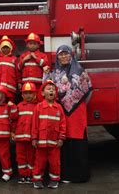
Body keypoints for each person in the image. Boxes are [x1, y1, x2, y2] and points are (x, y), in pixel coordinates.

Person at [44, 45, 92, 183]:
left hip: (77, 112)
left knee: (78, 142)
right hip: (61, 112)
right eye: (61, 54)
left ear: (71, 55)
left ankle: (80, 175)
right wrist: (45, 75)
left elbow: (88, 92)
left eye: (66, 54)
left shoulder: (80, 70)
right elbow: (47, 89)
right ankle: (66, 175)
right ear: (57, 57)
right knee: (64, 142)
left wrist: (76, 103)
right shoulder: (54, 73)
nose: (63, 57)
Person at [31, 80, 66, 189]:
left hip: (54, 143)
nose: (51, 90)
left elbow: (63, 124)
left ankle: (54, 179)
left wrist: (61, 138)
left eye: (53, 89)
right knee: (39, 162)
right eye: (48, 88)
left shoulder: (59, 108)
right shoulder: (38, 107)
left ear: (55, 93)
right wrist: (34, 138)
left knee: (55, 162)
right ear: (42, 93)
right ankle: (37, 179)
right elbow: (35, 124)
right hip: (41, 142)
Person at [13, 82, 37, 184]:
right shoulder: (18, 106)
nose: (28, 95)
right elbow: (14, 121)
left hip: (31, 139)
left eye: (30, 93)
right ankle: (23, 175)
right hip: (20, 138)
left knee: (31, 157)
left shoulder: (37, 107)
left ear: (35, 94)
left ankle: (30, 175)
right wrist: (13, 132)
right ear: (22, 95)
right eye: (26, 93)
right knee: (20, 157)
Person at [18, 32, 49, 100]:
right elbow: (18, 69)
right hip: (26, 85)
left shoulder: (43, 55)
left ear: (38, 45)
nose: (32, 45)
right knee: (27, 103)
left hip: (38, 85)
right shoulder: (23, 56)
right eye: (30, 43)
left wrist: (36, 58)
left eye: (34, 44)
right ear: (27, 45)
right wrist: (24, 60)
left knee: (38, 101)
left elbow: (46, 65)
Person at [0, 35, 19, 101]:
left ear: (11, 48)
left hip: (11, 87)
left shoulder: (15, 59)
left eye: (7, 47)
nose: (5, 49)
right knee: (0, 103)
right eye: (4, 47)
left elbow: (18, 73)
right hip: (0, 87)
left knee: (10, 103)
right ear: (0, 48)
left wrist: (19, 82)